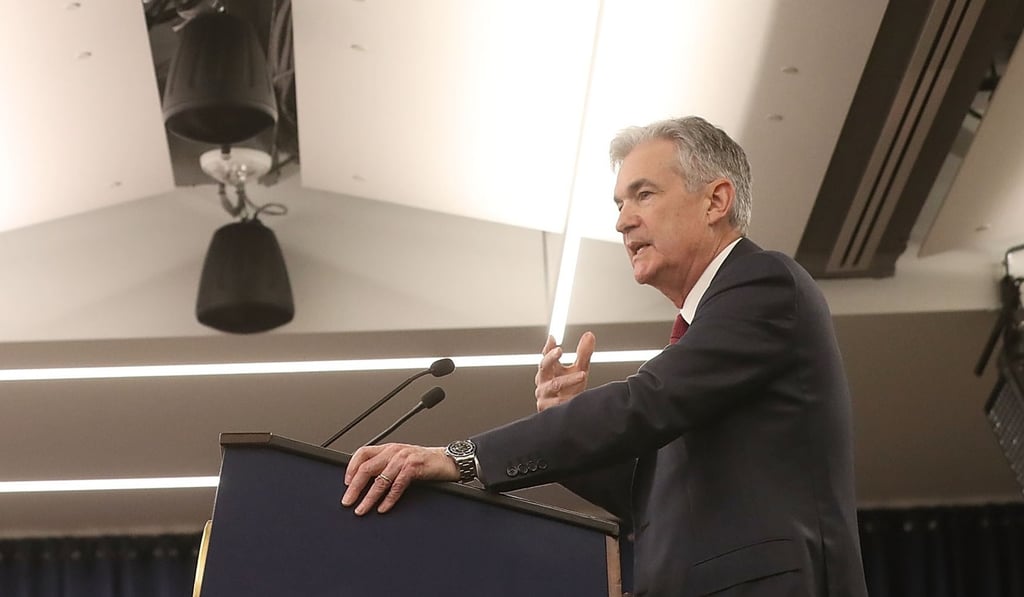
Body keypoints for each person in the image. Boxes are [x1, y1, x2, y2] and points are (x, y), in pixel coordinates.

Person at [342, 116, 868, 596]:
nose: (622, 223)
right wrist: (565, 418)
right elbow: (651, 500)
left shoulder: (765, 283)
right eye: (619, 205)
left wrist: (463, 457)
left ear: (716, 201)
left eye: (644, 195)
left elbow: (647, 401)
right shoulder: (707, 343)